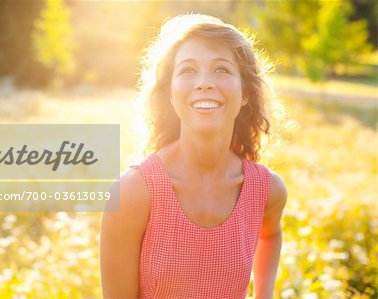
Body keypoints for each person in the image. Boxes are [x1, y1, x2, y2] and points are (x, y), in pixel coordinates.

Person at [100, 14, 287, 299]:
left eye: (221, 69)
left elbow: (270, 234)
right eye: (188, 70)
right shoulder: (133, 192)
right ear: (171, 94)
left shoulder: (267, 190)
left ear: (245, 92)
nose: (204, 83)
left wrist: (264, 294)